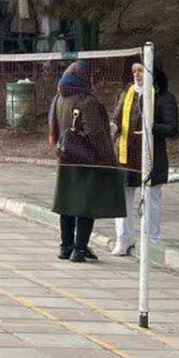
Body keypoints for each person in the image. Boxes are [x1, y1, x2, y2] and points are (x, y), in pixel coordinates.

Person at [48, 60, 124, 262]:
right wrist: (109, 160)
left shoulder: (60, 98)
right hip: (86, 160)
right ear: (83, 77)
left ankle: (65, 246)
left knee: (67, 204)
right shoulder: (86, 101)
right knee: (86, 206)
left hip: (67, 159)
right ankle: (80, 249)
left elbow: (55, 128)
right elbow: (95, 133)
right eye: (90, 75)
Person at [111, 61, 178, 255]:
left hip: (152, 156)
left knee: (151, 198)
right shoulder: (127, 92)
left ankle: (152, 242)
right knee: (123, 198)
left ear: (151, 72)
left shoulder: (164, 97)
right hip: (126, 155)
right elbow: (117, 117)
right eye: (134, 71)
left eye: (140, 70)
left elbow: (172, 128)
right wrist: (113, 127)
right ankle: (123, 240)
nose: (136, 74)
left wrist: (151, 127)